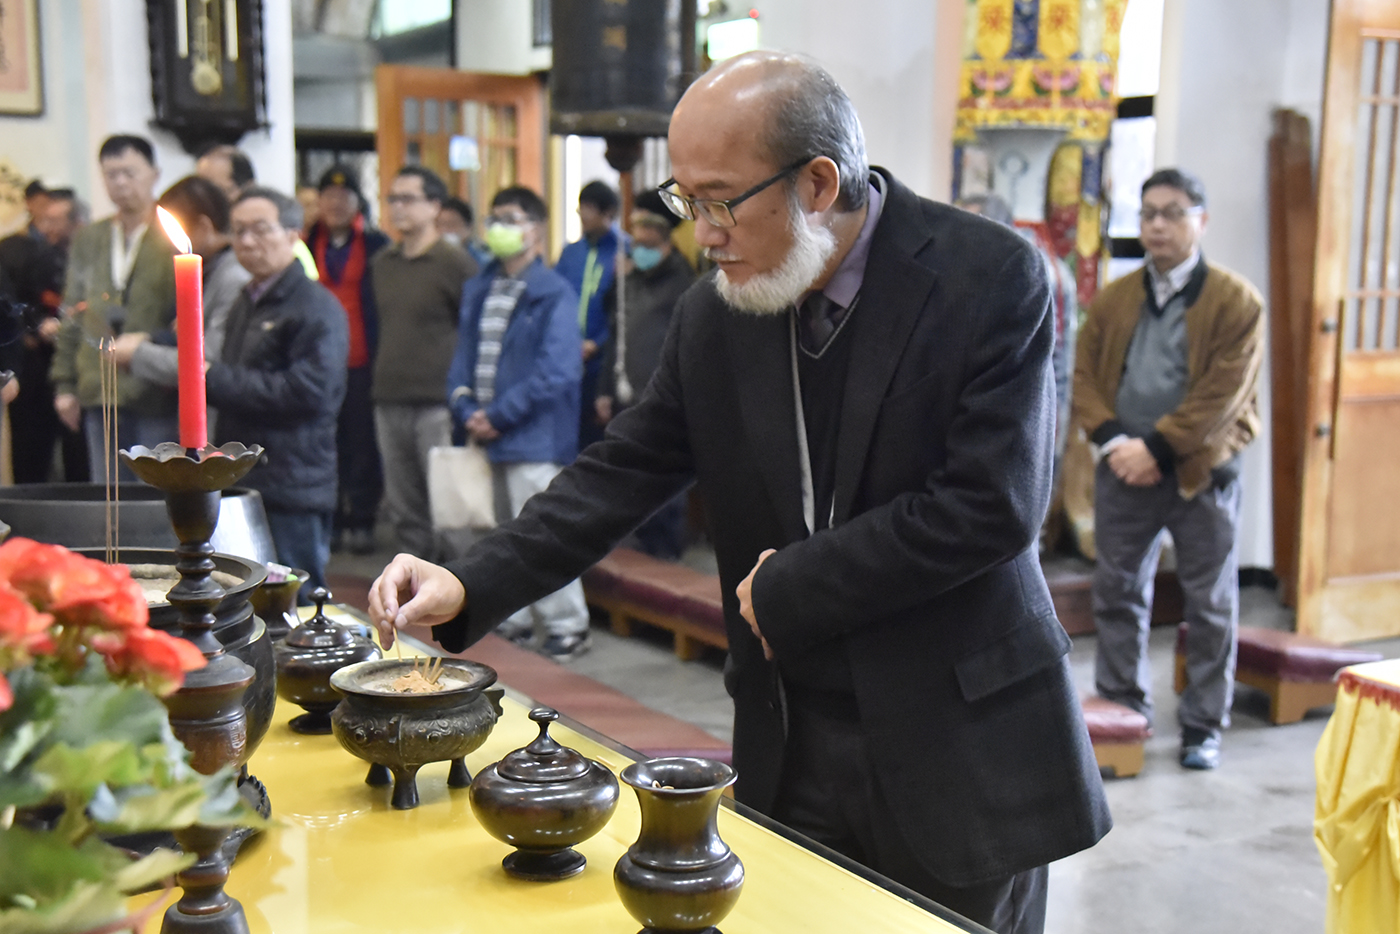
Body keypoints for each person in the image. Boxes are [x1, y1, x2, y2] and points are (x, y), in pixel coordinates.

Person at [369, 52, 1109, 933]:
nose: (703, 235)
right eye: (686, 201)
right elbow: (623, 469)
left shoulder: (986, 277)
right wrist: (470, 580)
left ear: (819, 184)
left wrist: (794, 583)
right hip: (793, 735)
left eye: (719, 201)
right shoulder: (718, 311)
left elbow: (990, 507)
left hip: (956, 742)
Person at [1073, 168, 1263, 772]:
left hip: (1200, 472)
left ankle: (1203, 725)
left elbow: (1224, 396)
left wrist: (1155, 448)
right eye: (1149, 213)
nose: (1157, 225)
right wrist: (1113, 440)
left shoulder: (1236, 301)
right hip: (1123, 468)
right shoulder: (1115, 298)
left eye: (1173, 213)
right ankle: (1124, 709)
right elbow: (1084, 376)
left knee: (1210, 602)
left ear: (1201, 221)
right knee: (1118, 592)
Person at [441, 186, 591, 661]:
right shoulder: (480, 286)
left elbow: (559, 370)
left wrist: (500, 415)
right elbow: (463, 357)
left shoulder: (553, 292)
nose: (499, 228)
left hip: (533, 436)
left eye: (511, 219)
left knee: (544, 534)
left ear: (536, 230)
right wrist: (464, 405)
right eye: (494, 218)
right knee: (499, 535)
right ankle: (515, 618)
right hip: (484, 430)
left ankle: (567, 625)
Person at [207, 187, 348, 599]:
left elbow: (310, 393)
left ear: (292, 234)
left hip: (292, 476)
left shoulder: (314, 305)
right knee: (245, 593)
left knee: (294, 597)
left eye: (260, 229)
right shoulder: (247, 300)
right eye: (238, 231)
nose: (247, 242)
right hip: (248, 470)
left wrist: (214, 378)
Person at [52, 135, 178, 482]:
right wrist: (65, 384)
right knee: (107, 491)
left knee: (155, 491)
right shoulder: (90, 237)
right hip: (99, 387)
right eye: (111, 174)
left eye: (129, 173)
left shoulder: (172, 235)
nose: (120, 183)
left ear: (154, 174)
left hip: (154, 389)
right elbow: (72, 310)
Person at [371, 166, 477, 559]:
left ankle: (459, 583)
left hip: (437, 401)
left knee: (448, 506)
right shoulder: (383, 262)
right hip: (389, 396)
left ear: (434, 206)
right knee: (403, 506)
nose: (398, 207)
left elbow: (471, 331)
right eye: (393, 199)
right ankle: (412, 581)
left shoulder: (455, 263)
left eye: (408, 199)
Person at [110, 176, 252, 440]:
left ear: (204, 227)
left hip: (221, 425)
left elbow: (208, 361)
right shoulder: (212, 270)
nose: (166, 245)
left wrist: (138, 354)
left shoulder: (233, 278)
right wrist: (153, 338)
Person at [595, 189, 695, 559]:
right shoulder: (629, 278)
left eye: (644, 224)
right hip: (625, 400)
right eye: (633, 224)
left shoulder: (684, 282)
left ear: (663, 230)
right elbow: (616, 335)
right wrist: (604, 389)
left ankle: (664, 567)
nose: (636, 233)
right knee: (624, 487)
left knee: (664, 496)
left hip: (664, 404)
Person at [306, 165, 390, 555]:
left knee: (362, 443)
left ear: (358, 202)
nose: (336, 204)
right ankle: (333, 518)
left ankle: (363, 517)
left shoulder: (376, 245)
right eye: (328, 196)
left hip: (362, 360)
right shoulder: (305, 242)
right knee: (326, 441)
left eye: (344, 197)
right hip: (318, 361)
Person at [1, 188, 87, 482]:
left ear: (76, 222)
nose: (48, 227)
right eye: (45, 220)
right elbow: (17, 304)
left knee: (80, 460)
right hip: (36, 368)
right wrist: (36, 327)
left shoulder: (89, 255)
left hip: (81, 368)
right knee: (32, 457)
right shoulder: (23, 252)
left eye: (56, 220)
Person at [555, 180, 624, 448]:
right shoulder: (570, 254)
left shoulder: (623, 252)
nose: (583, 215)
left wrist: (597, 342)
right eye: (581, 208)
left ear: (608, 213)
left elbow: (623, 311)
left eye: (590, 209)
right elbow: (558, 302)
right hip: (569, 357)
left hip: (604, 362)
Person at [438, 197, 491, 267]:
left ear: (469, 227)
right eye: (438, 224)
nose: (443, 230)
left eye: (451, 225)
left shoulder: (483, 262)